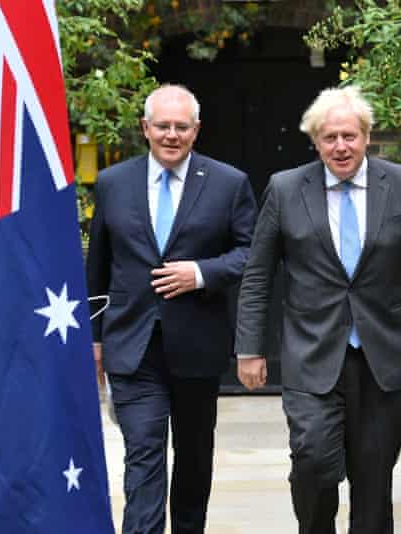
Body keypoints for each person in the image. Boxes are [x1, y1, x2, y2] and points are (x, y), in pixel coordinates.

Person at [235, 86, 401, 534]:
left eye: (349, 136)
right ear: (315, 141)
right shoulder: (286, 190)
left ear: (366, 136)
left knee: (373, 480)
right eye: (329, 138)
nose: (340, 147)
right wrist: (249, 348)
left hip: (384, 358)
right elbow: (257, 276)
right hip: (312, 355)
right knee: (314, 465)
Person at [87, 84, 257, 534]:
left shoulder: (228, 183)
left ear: (196, 130)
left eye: (181, 127)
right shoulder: (112, 184)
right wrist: (95, 338)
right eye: (162, 126)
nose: (171, 135)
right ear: (145, 128)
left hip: (197, 346)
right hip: (132, 345)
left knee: (194, 457)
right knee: (142, 452)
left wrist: (200, 273)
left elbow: (250, 253)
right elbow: (97, 267)